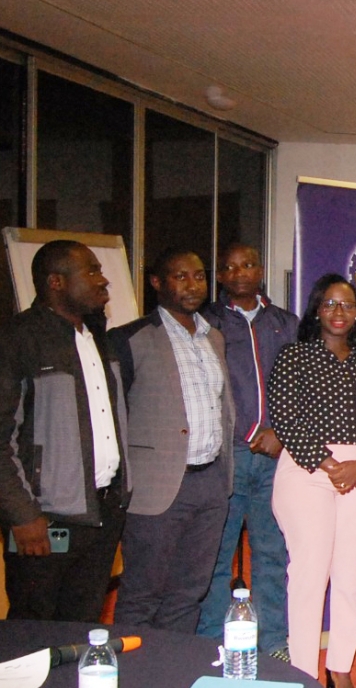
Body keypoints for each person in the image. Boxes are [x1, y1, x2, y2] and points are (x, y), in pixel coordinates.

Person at [267, 274, 356, 686]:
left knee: (350, 574)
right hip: (307, 471)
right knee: (309, 571)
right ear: (317, 310)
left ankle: (340, 668)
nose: (340, 312)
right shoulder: (293, 357)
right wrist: (327, 463)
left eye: (348, 305)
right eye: (331, 304)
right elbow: (286, 419)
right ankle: (303, 671)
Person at [0, 240, 130, 622]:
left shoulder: (97, 336)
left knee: (84, 625)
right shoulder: (17, 339)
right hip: (44, 520)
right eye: (90, 270)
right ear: (56, 282)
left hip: (101, 512)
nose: (103, 280)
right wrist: (22, 516)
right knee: (34, 628)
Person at [109, 248, 234, 631]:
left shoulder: (214, 338)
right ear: (157, 282)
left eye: (198, 276)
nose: (192, 284)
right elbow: (115, 418)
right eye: (180, 276)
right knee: (142, 593)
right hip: (159, 487)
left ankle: (172, 668)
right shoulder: (131, 339)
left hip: (210, 484)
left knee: (189, 591)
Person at [197, 244, 298, 661]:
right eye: (230, 267)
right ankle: (211, 642)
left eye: (249, 264)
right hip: (228, 458)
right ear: (220, 276)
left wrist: (282, 431)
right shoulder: (205, 324)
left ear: (261, 269)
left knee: (273, 554)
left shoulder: (288, 324)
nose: (240, 272)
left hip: (276, 459)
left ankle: (273, 642)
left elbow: (303, 388)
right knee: (216, 556)